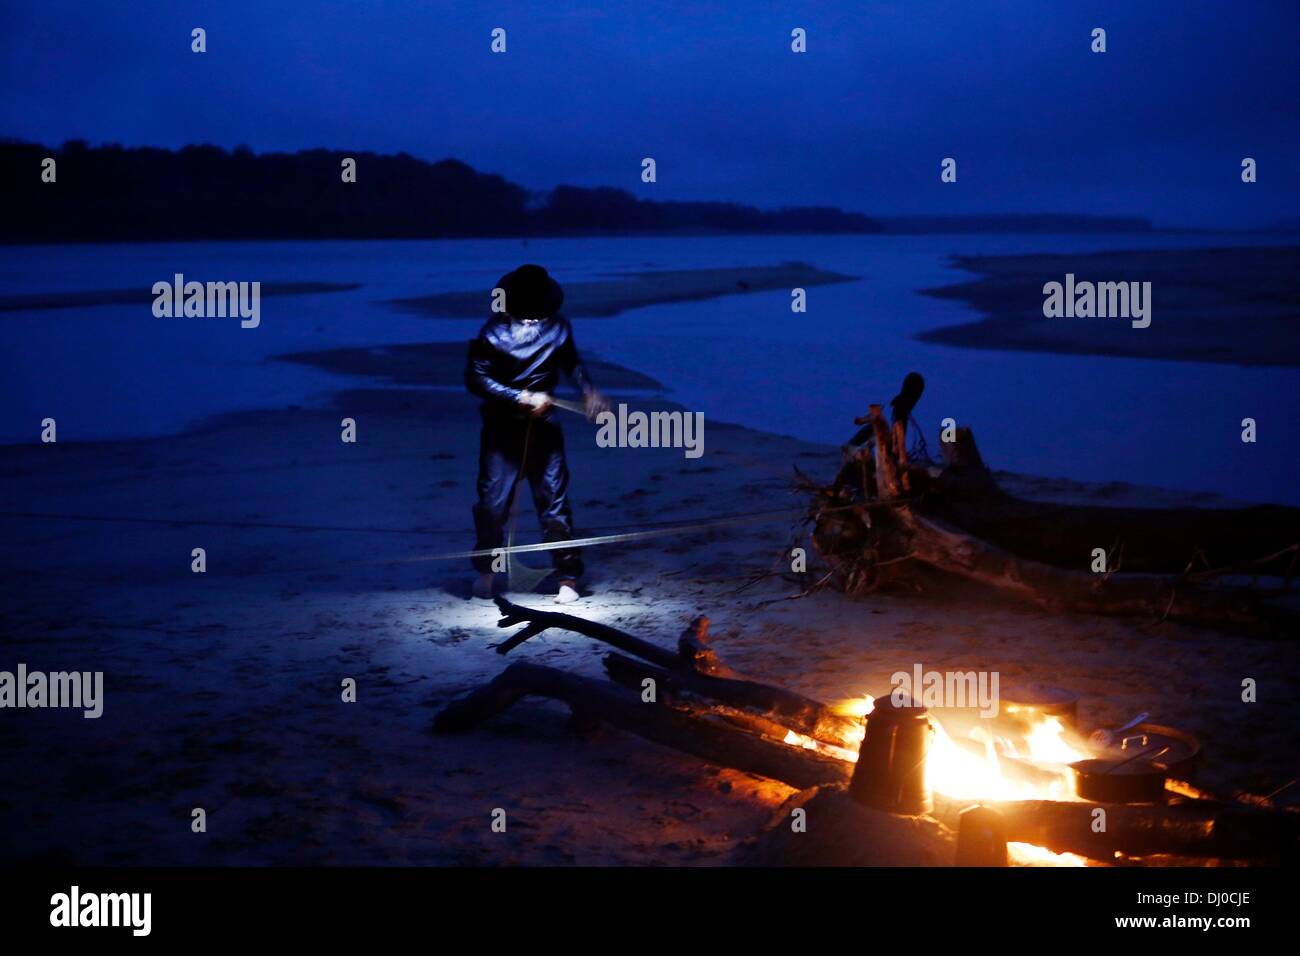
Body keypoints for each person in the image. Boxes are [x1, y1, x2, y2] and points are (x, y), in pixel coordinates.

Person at [464, 265, 607, 603]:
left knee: (554, 502)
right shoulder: (492, 333)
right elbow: (476, 378)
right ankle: (487, 572)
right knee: (491, 504)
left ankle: (568, 578)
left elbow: (572, 362)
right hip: (501, 429)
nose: (532, 321)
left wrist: (589, 392)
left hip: (545, 427)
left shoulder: (557, 327)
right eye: (527, 313)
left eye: (538, 313)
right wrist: (520, 397)